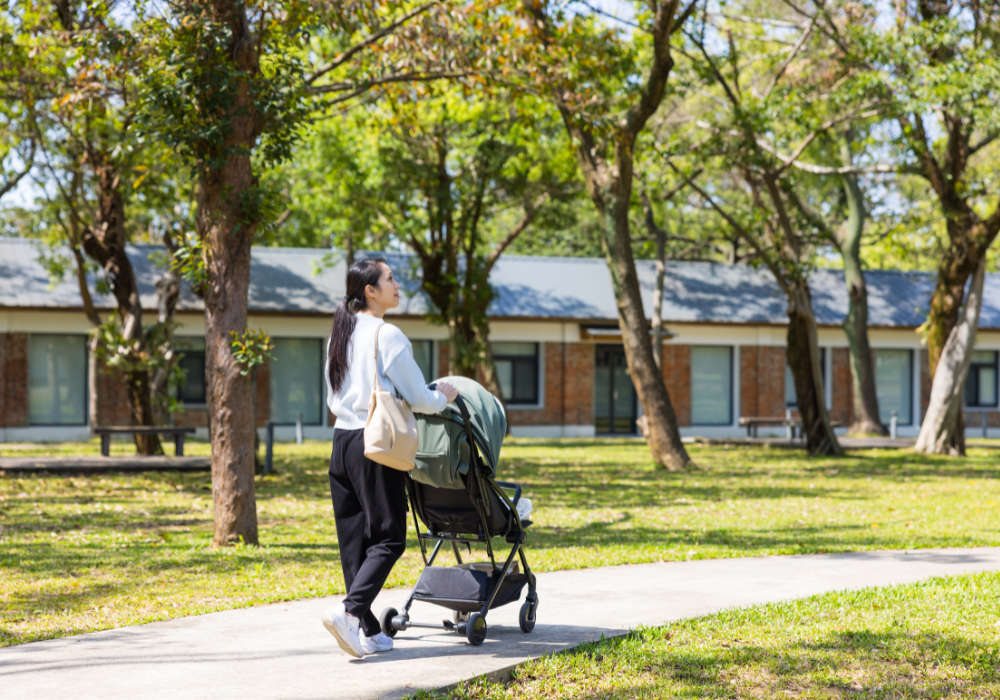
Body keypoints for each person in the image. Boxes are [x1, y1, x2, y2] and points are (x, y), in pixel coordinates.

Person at [320, 257, 459, 659]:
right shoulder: (388, 334)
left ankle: (367, 631)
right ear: (370, 291)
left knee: (354, 540)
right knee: (389, 536)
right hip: (375, 441)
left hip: (342, 440)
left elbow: (332, 394)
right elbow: (418, 397)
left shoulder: (339, 334)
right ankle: (349, 612)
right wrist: (442, 397)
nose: (398, 286)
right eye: (390, 279)